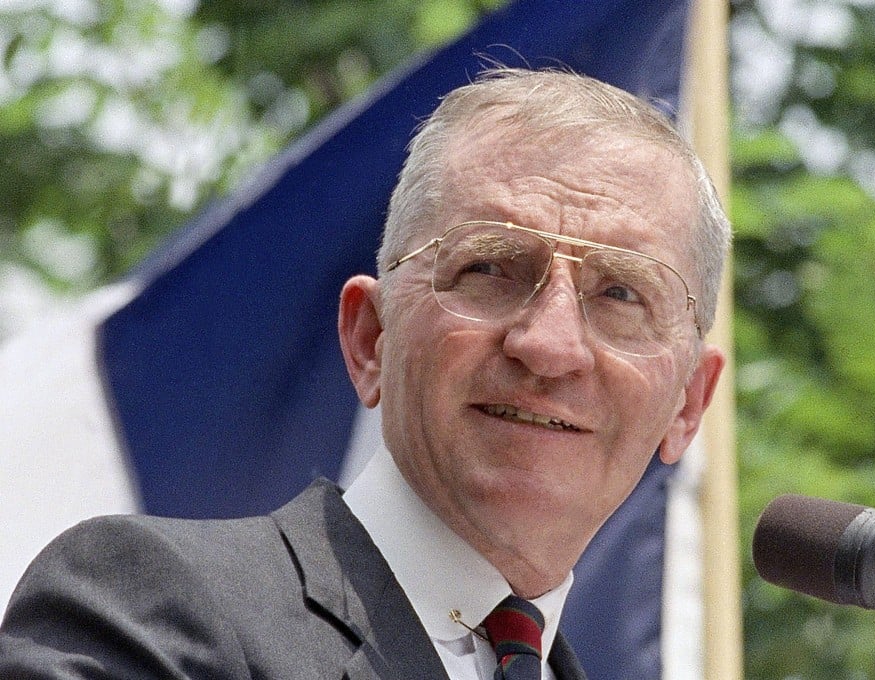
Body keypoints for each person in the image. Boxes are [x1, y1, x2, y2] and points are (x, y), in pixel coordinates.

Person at [0, 67, 730, 679]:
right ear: (370, 339)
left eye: (622, 293)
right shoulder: (152, 608)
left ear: (688, 407)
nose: (549, 344)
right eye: (490, 268)